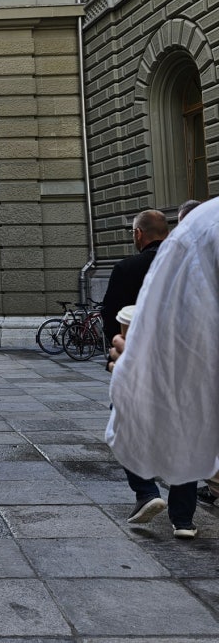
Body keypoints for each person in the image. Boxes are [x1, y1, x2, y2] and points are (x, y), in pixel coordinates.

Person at [106, 199, 219, 537]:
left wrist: (117, 358)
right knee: (187, 426)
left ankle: (145, 492)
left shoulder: (130, 268)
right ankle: (182, 519)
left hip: (145, 361)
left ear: (138, 235)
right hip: (192, 366)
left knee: (124, 415)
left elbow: (110, 316)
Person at [100, 209, 168, 343]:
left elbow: (111, 315)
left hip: (135, 348)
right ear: (168, 233)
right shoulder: (185, 262)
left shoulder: (126, 268)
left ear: (138, 233)